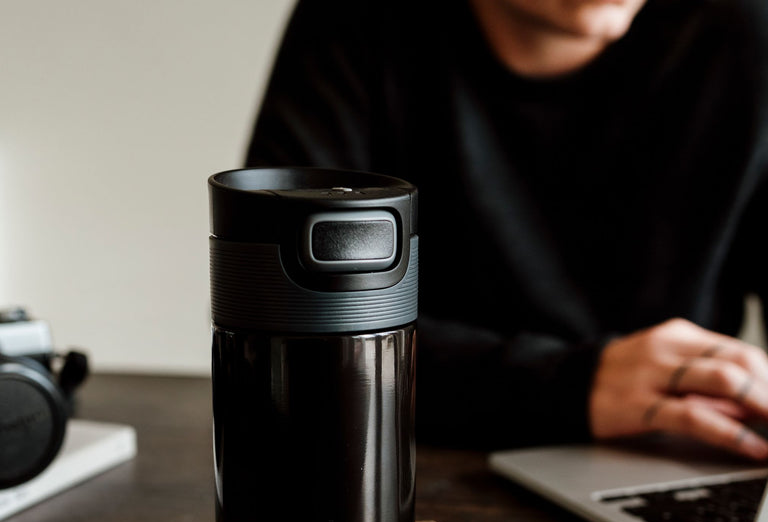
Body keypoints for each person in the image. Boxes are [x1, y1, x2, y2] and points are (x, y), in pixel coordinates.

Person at [245, 0, 768, 458]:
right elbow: (286, 329)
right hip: (404, 461)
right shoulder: (357, 21)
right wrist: (573, 385)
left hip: (676, 465)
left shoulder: (747, 34)